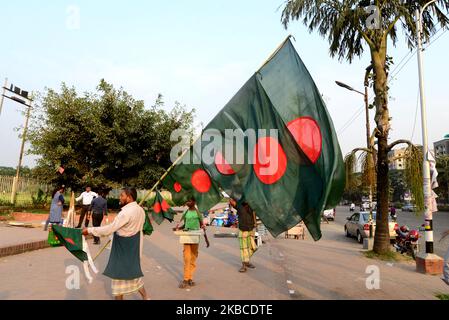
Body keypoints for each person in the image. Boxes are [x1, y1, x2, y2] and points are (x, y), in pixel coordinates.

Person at [82, 187, 149, 300]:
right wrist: (116, 233)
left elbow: (109, 229)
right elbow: (131, 229)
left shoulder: (126, 213)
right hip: (134, 249)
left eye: (122, 195)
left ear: (129, 197)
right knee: (134, 276)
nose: (120, 198)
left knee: (118, 281)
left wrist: (89, 230)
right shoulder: (140, 210)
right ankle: (146, 298)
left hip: (122, 250)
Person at [175, 197, 205, 289]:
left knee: (193, 257)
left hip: (195, 237)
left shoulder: (198, 213)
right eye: (187, 201)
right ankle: (185, 279)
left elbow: (201, 224)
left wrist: (203, 226)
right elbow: (184, 224)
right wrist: (178, 228)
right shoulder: (185, 212)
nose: (188, 202)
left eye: (190, 201)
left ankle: (190, 278)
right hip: (186, 235)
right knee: (187, 257)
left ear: (194, 202)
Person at [229, 198, 257, 273]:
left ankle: (246, 261)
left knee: (254, 247)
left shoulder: (252, 205)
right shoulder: (239, 205)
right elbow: (231, 201)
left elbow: (254, 214)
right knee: (244, 249)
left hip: (251, 229)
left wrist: (255, 224)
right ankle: (244, 265)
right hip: (242, 230)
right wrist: (231, 195)